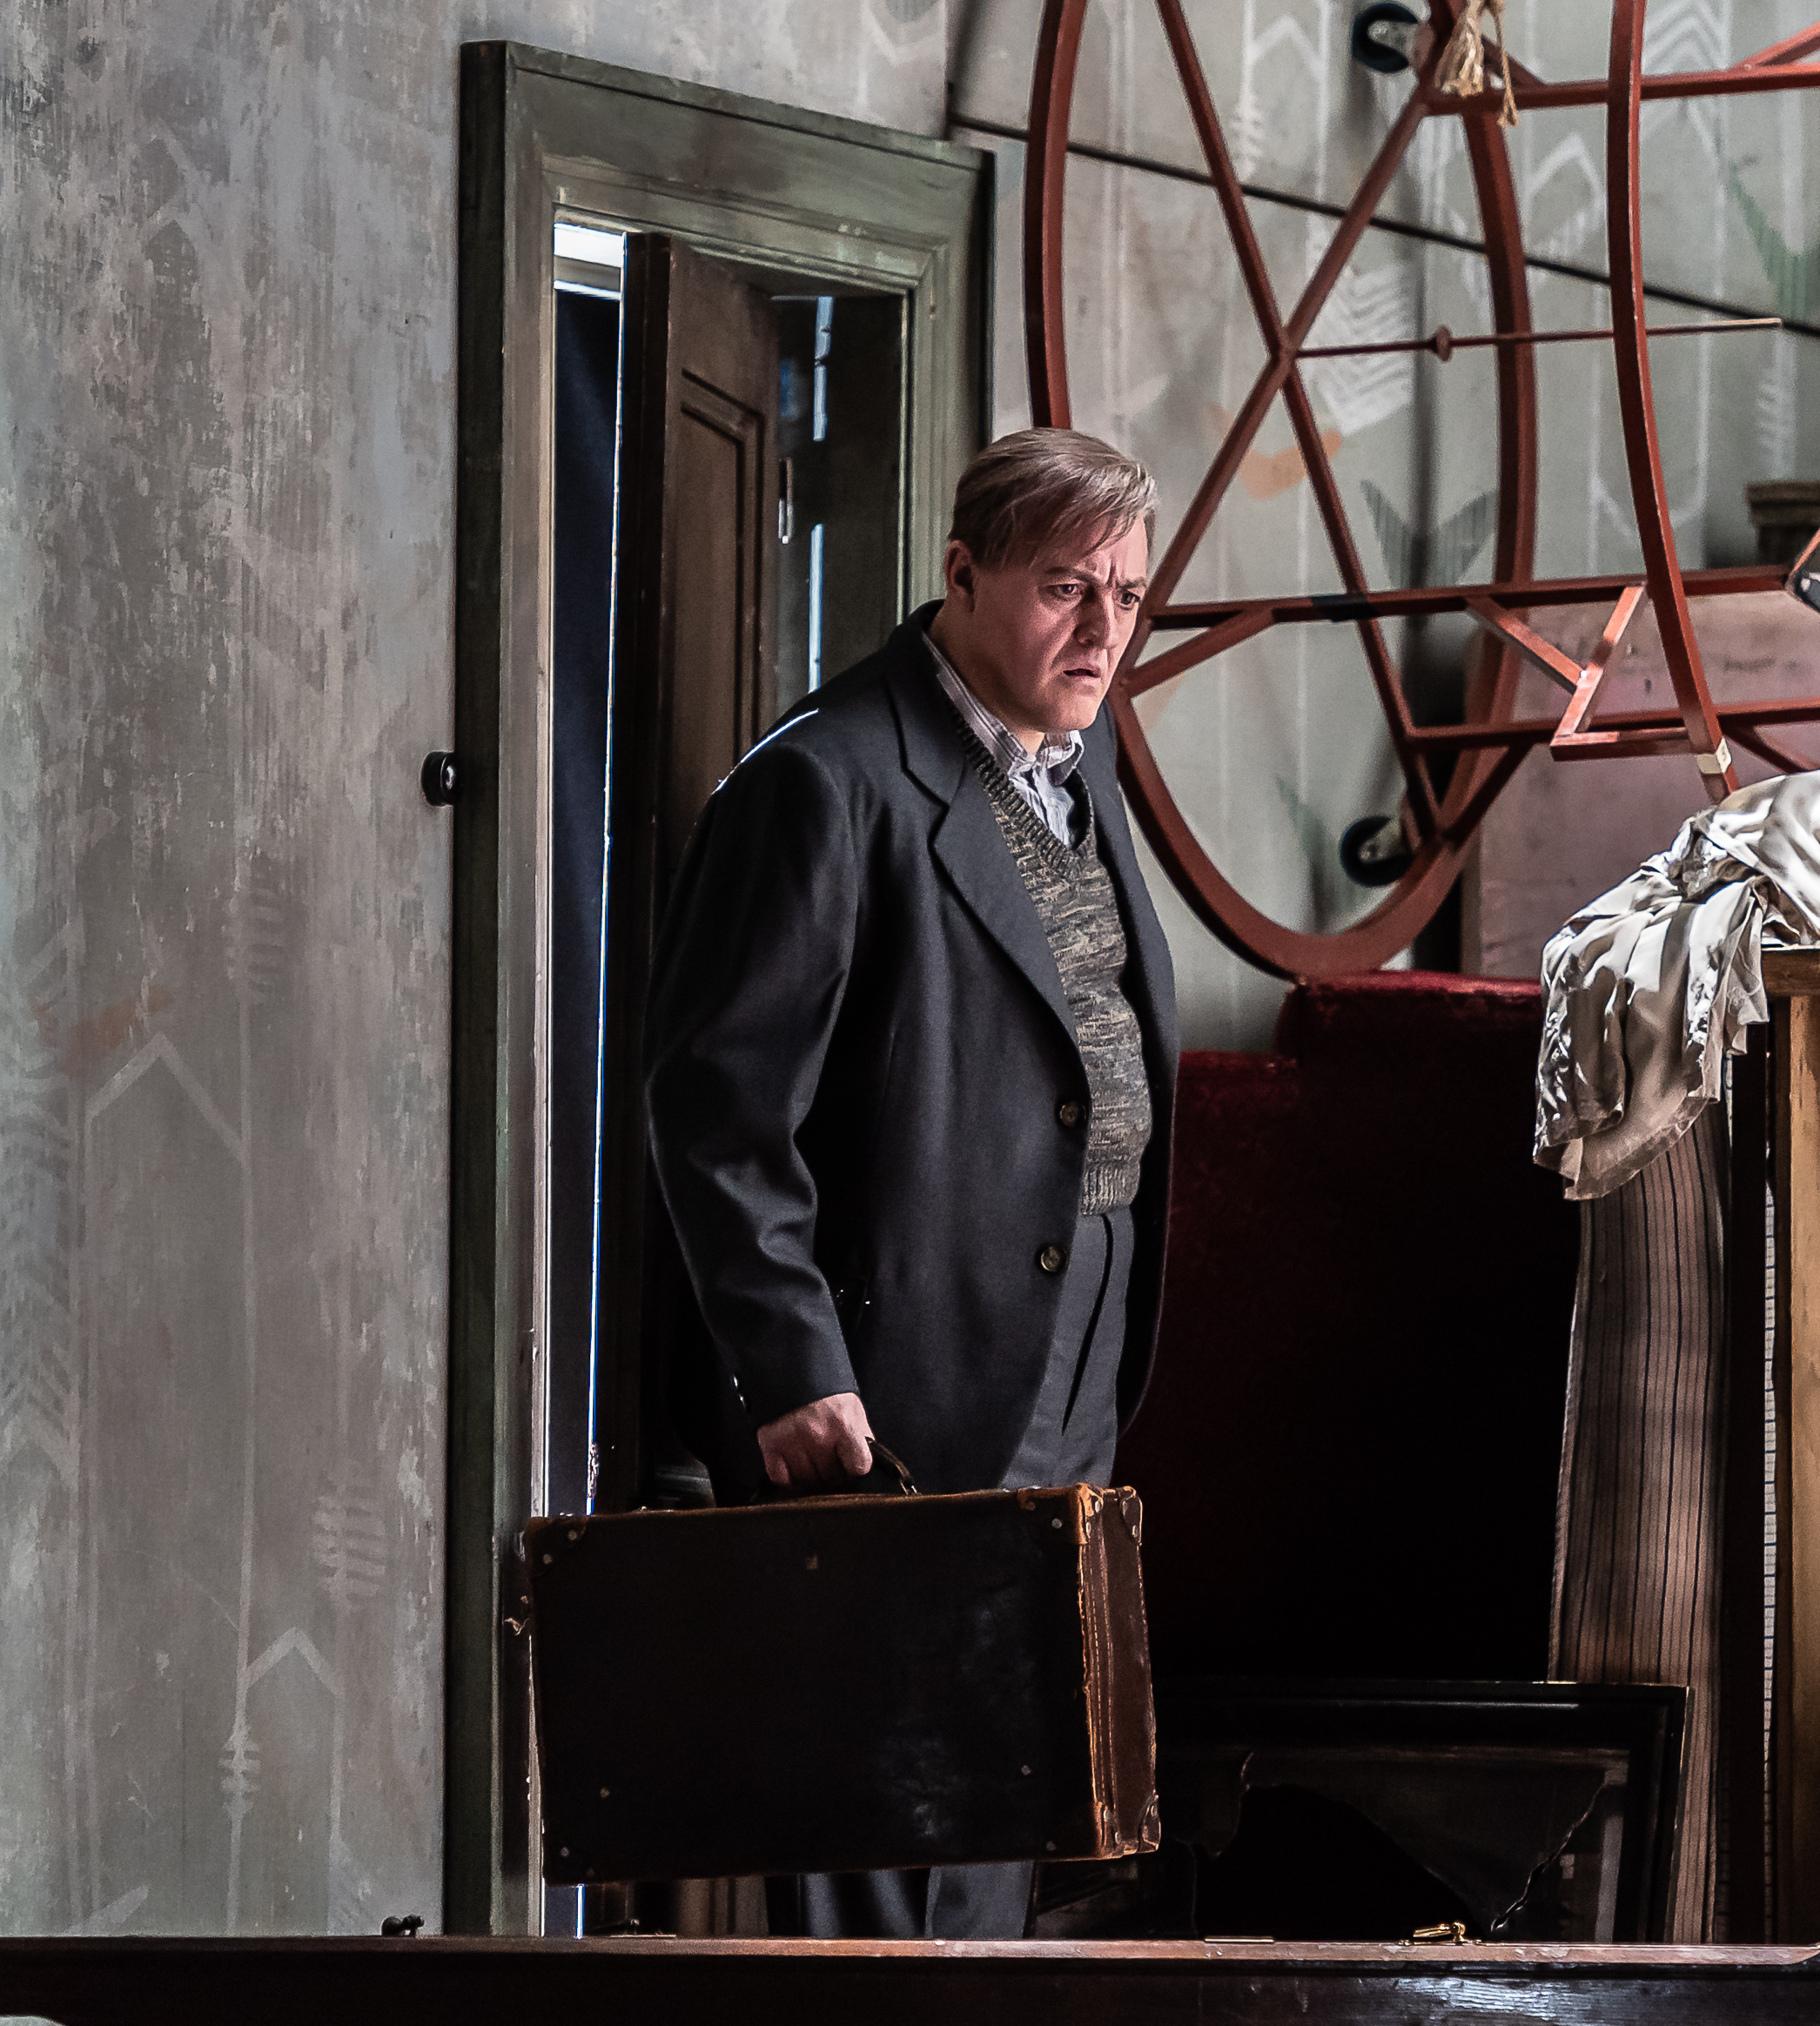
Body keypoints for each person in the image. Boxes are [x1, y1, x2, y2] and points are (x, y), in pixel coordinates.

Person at [641, 429, 1178, 1940]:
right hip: (891, 1388)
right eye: (1065, 589)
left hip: (1065, 1366)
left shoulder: (1078, 753)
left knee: (998, 1810)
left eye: (1129, 595)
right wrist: (792, 1369)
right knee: (877, 1831)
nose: (1104, 630)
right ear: (961, 574)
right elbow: (715, 1108)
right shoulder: (824, 783)